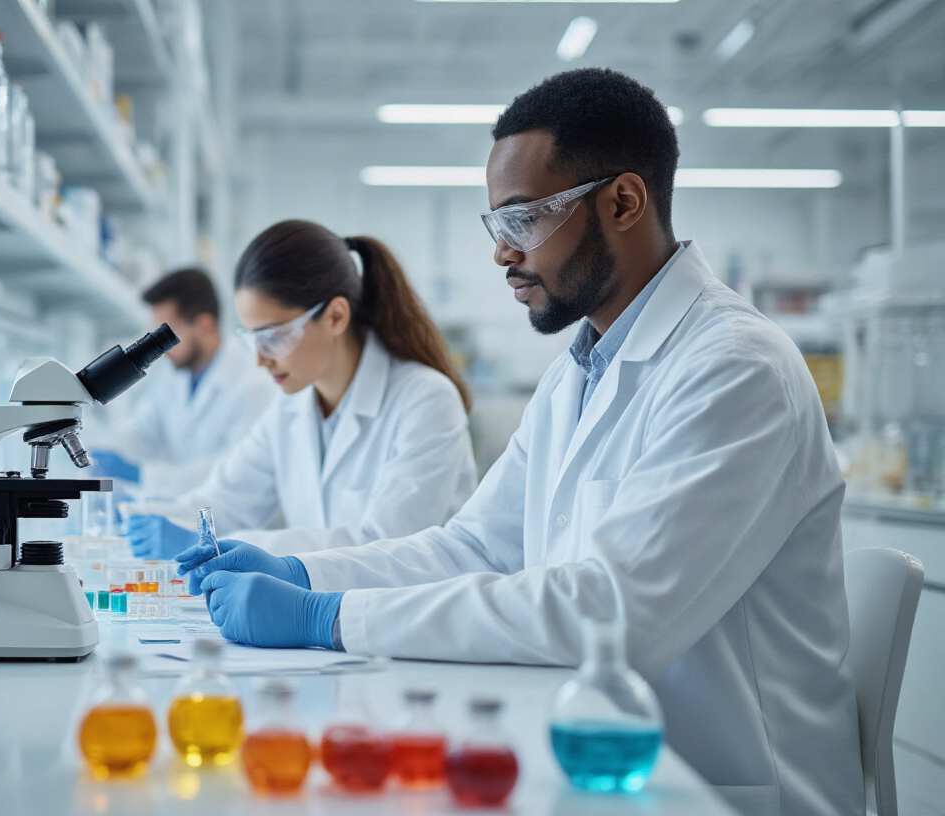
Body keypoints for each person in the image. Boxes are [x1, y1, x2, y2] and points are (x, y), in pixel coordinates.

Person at [176, 69, 863, 816]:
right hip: (597, 763)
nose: (502, 254)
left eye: (523, 220)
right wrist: (302, 571)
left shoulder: (735, 369)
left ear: (624, 202)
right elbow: (471, 547)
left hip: (721, 788)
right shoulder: (578, 374)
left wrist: (325, 617)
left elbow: (610, 616)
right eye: (495, 226)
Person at [126, 220, 477, 559]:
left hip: (405, 614)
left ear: (336, 317)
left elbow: (385, 546)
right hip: (321, 612)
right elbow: (223, 502)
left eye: (274, 338)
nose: (261, 362)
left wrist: (228, 546)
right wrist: (133, 515)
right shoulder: (289, 410)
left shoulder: (426, 400)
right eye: (252, 340)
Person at [90, 267, 275, 495]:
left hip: (238, 523)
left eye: (165, 336)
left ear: (204, 326)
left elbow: (233, 472)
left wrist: (139, 473)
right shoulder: (173, 375)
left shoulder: (253, 384)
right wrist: (98, 451)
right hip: (188, 510)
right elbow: (143, 432)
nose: (159, 349)